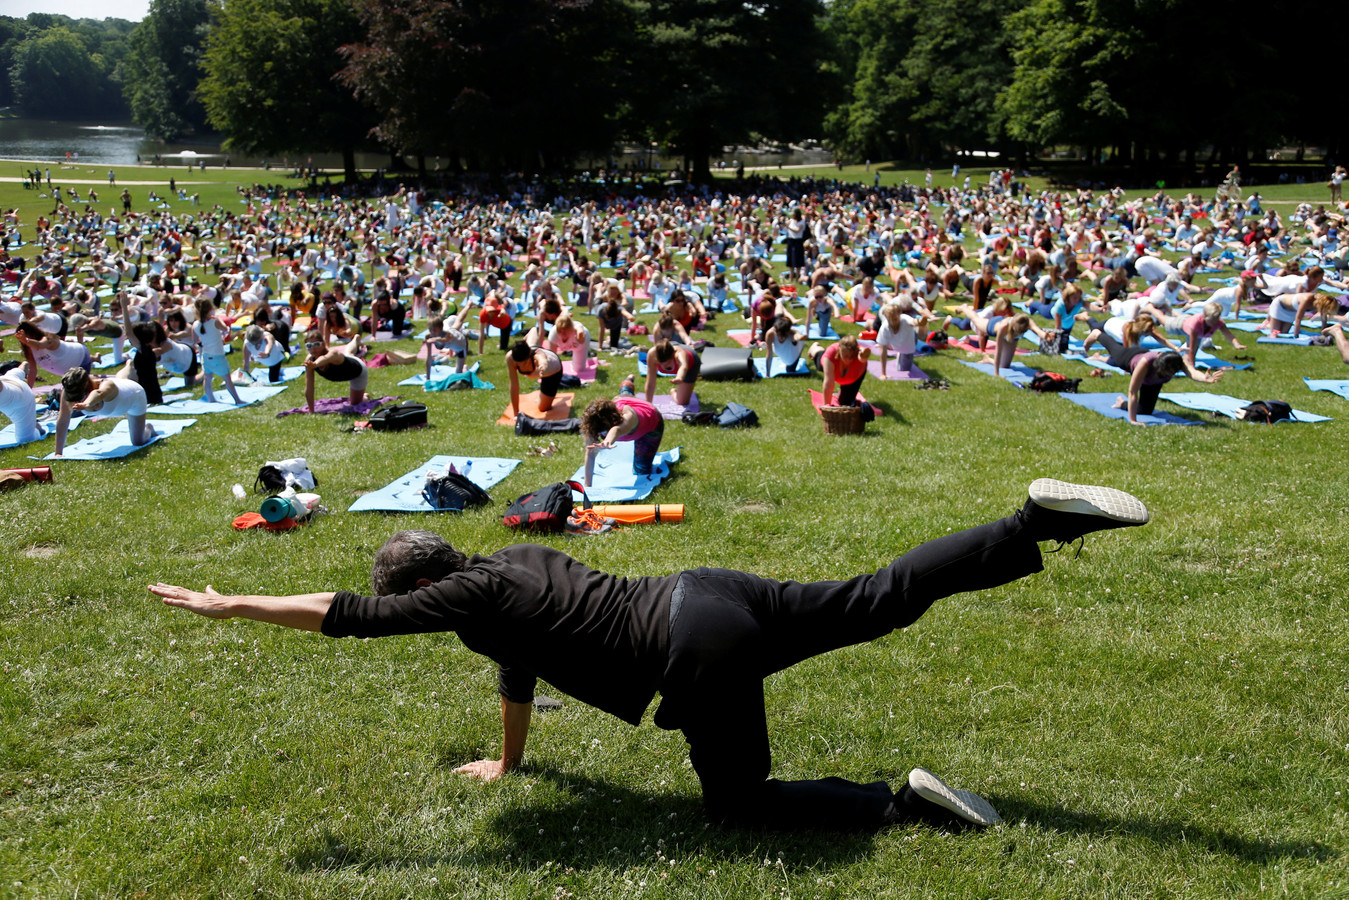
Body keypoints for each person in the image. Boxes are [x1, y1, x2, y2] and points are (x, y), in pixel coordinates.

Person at [150, 478, 1152, 832]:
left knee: (736, 808)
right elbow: (515, 669)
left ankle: (898, 807)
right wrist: (507, 760)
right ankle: (1029, 524)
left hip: (693, 649)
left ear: (424, 586)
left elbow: (349, 618)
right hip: (708, 593)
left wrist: (231, 600)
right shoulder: (510, 569)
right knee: (879, 597)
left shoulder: (454, 595)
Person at [581, 376, 665, 485]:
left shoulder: (628, 417)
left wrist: (608, 441)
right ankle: (628, 381)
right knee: (625, 392)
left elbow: (617, 430)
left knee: (641, 470)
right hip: (623, 399)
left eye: (604, 431)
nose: (601, 434)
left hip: (652, 422)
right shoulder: (594, 424)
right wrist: (588, 486)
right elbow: (590, 453)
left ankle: (628, 386)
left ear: (612, 421)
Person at [53, 367, 155, 456]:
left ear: (88, 386)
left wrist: (86, 404)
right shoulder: (68, 391)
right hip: (122, 391)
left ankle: (149, 428)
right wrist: (58, 453)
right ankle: (128, 366)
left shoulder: (106, 385)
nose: (77, 400)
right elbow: (63, 420)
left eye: (80, 397)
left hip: (135, 396)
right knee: (121, 378)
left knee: (138, 441)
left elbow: (99, 393)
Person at [302, 329, 368, 411]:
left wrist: (315, 364)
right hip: (347, 361)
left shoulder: (333, 354)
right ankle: (355, 340)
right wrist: (311, 411)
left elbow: (325, 358)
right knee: (348, 353)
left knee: (356, 403)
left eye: (316, 344)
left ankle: (364, 396)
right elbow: (309, 388)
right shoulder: (309, 360)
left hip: (358, 371)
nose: (313, 349)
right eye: (309, 345)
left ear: (323, 344)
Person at [193, 298, 243, 405]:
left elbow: (195, 341)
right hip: (218, 356)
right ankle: (237, 400)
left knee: (207, 378)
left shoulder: (195, 325)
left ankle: (211, 399)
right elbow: (225, 329)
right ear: (210, 309)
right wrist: (217, 318)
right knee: (227, 379)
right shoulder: (215, 321)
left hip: (205, 356)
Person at [810, 334, 871, 406]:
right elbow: (829, 384)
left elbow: (865, 355)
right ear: (840, 350)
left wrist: (861, 351)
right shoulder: (831, 353)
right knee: (819, 362)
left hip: (852, 378)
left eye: (851, 356)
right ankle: (815, 348)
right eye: (845, 356)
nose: (848, 359)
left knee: (845, 403)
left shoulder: (859, 355)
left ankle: (839, 394)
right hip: (831, 363)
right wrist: (827, 405)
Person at [507, 340, 563, 416]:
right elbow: (514, 386)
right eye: (519, 364)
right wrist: (516, 414)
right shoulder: (511, 358)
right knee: (532, 335)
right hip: (535, 354)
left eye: (525, 363)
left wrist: (543, 366)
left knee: (543, 408)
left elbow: (542, 359)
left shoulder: (537, 355)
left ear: (529, 355)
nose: (522, 367)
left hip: (552, 371)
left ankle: (543, 396)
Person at [645, 339, 699, 406]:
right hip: (668, 348)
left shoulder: (679, 353)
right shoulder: (652, 355)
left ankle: (673, 391)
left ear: (673, 356)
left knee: (682, 402)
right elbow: (650, 383)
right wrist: (648, 404)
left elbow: (683, 366)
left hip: (691, 363)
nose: (664, 366)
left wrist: (679, 377)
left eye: (668, 363)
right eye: (660, 363)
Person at [0, 362, 41, 444]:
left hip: (22, 399)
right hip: (9, 380)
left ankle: (36, 427)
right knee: (16, 372)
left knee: (26, 439)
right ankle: (23, 366)